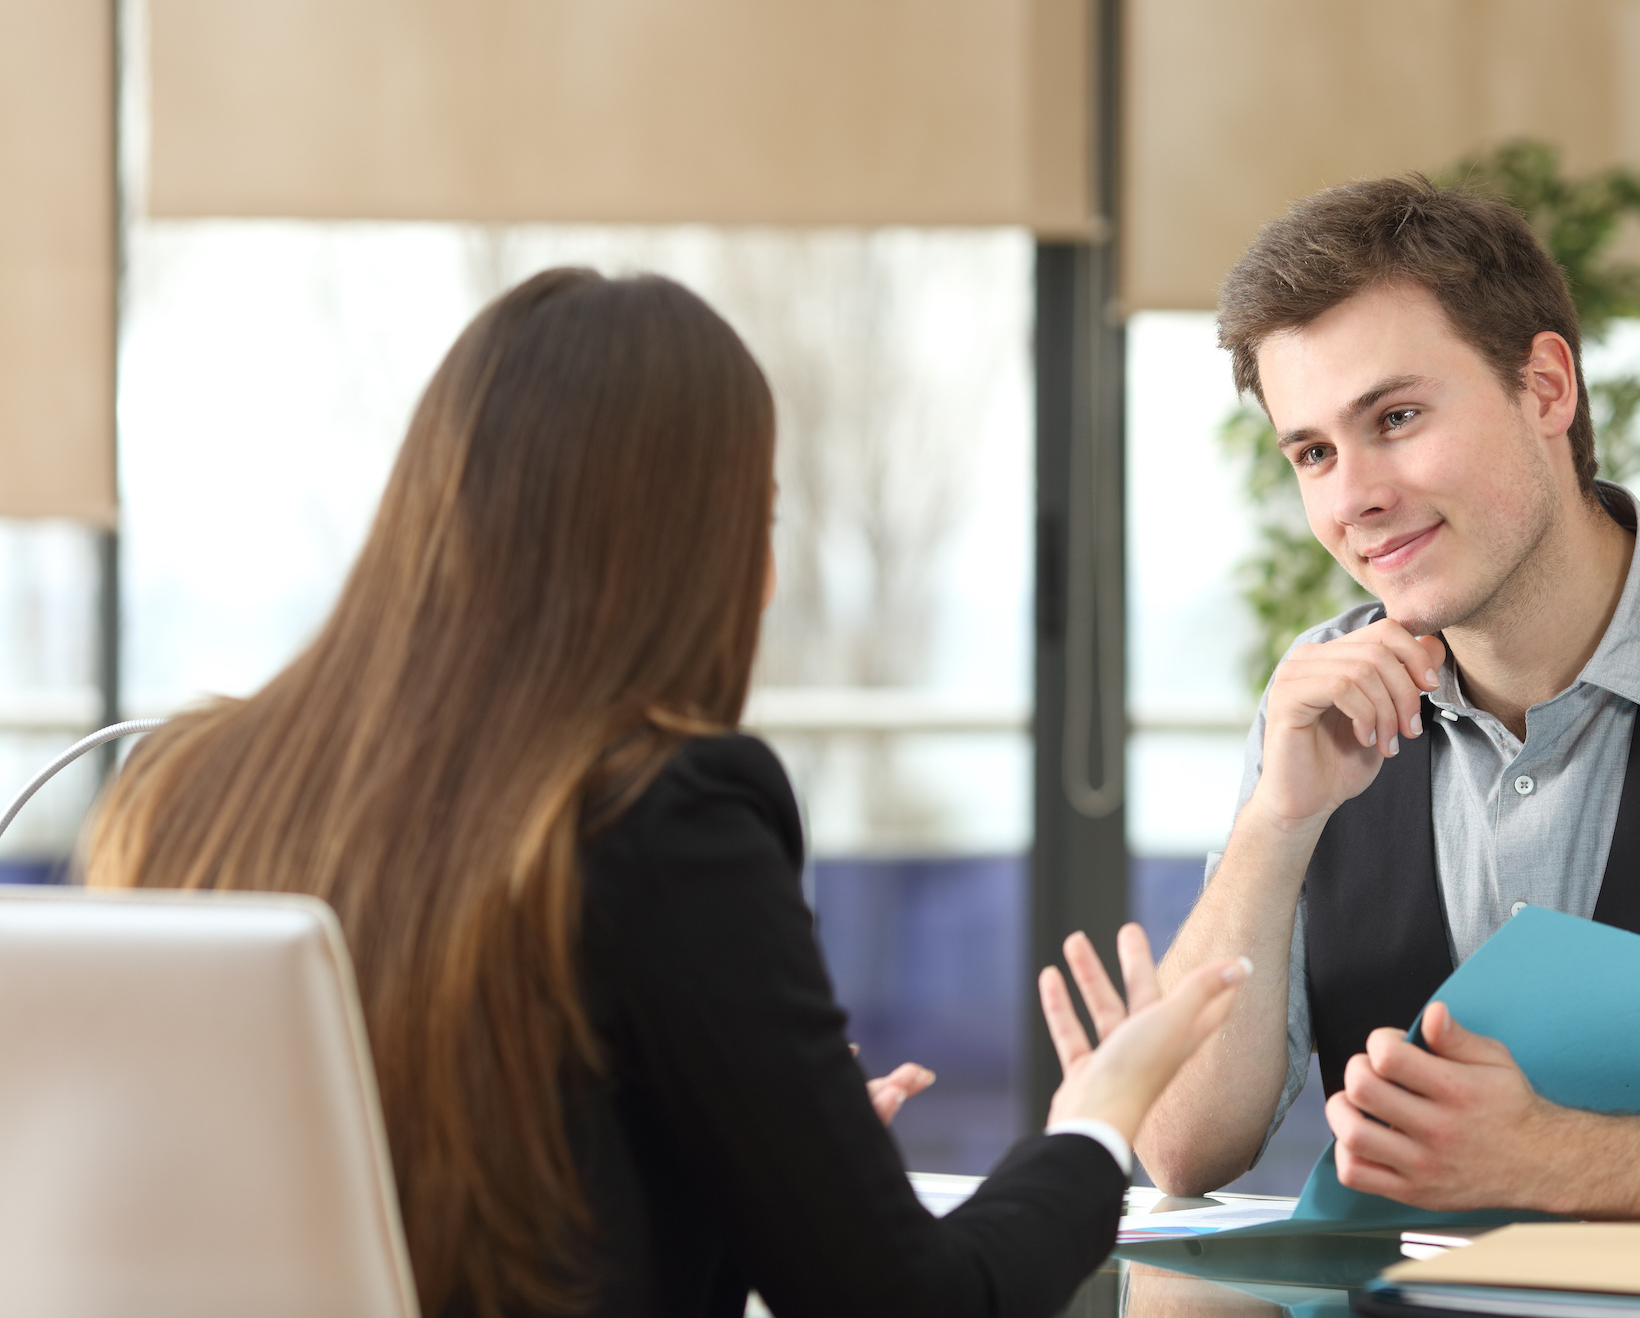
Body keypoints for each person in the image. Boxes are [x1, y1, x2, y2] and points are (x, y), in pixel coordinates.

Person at [81, 268, 1248, 1318]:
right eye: (763, 520)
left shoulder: (178, 789)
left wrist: (759, 1160)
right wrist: (1094, 1123)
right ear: (702, 549)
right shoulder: (662, 814)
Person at [1137, 176, 1640, 1215]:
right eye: (1312, 452)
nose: (1352, 497)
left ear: (1543, 389)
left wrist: (1541, 1159)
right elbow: (1180, 1151)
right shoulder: (1318, 697)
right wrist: (1276, 820)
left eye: (1394, 417)